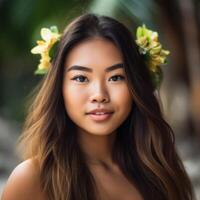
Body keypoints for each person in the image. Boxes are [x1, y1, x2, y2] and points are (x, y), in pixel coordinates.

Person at [2, 13, 194, 200]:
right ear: (60, 87)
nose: (100, 95)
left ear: (136, 85)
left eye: (116, 77)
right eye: (81, 78)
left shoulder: (159, 172)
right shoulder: (32, 179)